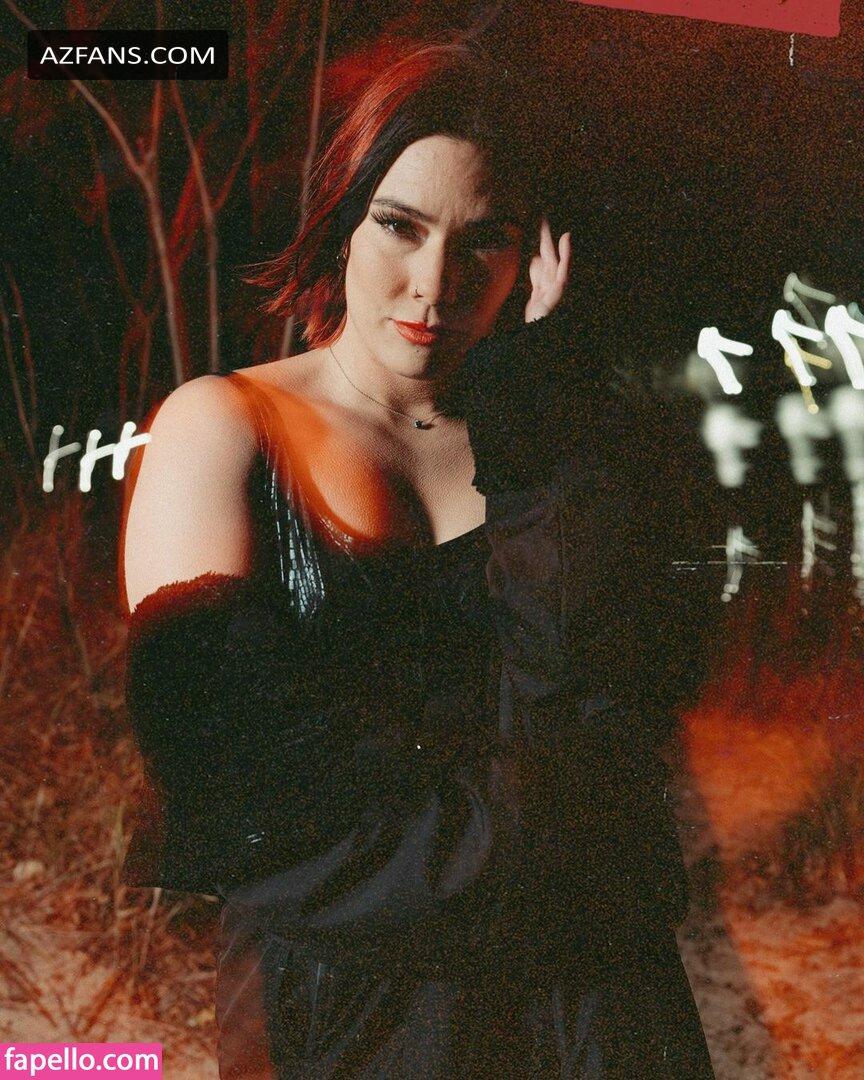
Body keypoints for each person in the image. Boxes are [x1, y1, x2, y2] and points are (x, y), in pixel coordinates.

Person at [120, 39, 716, 1078]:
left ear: (535, 260)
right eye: (401, 225)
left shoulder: (546, 439)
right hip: (350, 1007)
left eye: (484, 240)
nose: (435, 283)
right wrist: (555, 843)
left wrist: (536, 399)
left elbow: (604, 705)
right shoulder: (224, 427)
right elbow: (250, 795)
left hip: (590, 1001)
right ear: (343, 218)